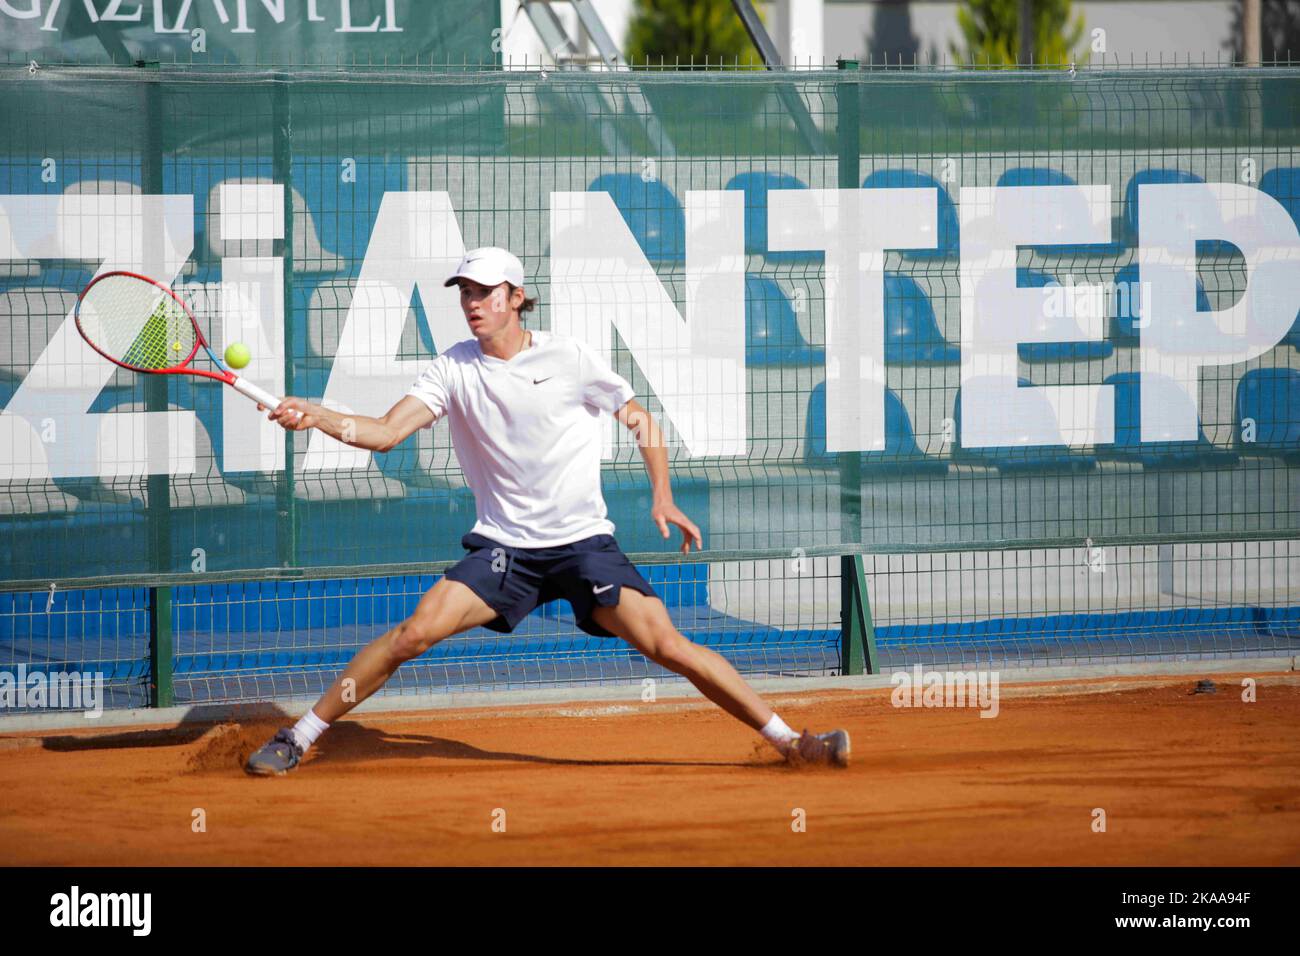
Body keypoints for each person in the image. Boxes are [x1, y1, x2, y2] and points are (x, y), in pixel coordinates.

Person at [245, 247, 849, 775]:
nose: (473, 303)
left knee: (668, 645)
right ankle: (297, 737)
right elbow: (382, 433)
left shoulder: (570, 357)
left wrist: (662, 493)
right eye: (465, 293)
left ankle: (794, 743)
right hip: (505, 550)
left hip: (583, 543)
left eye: (485, 292)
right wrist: (317, 414)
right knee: (413, 633)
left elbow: (641, 420)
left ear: (517, 297)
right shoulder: (453, 367)